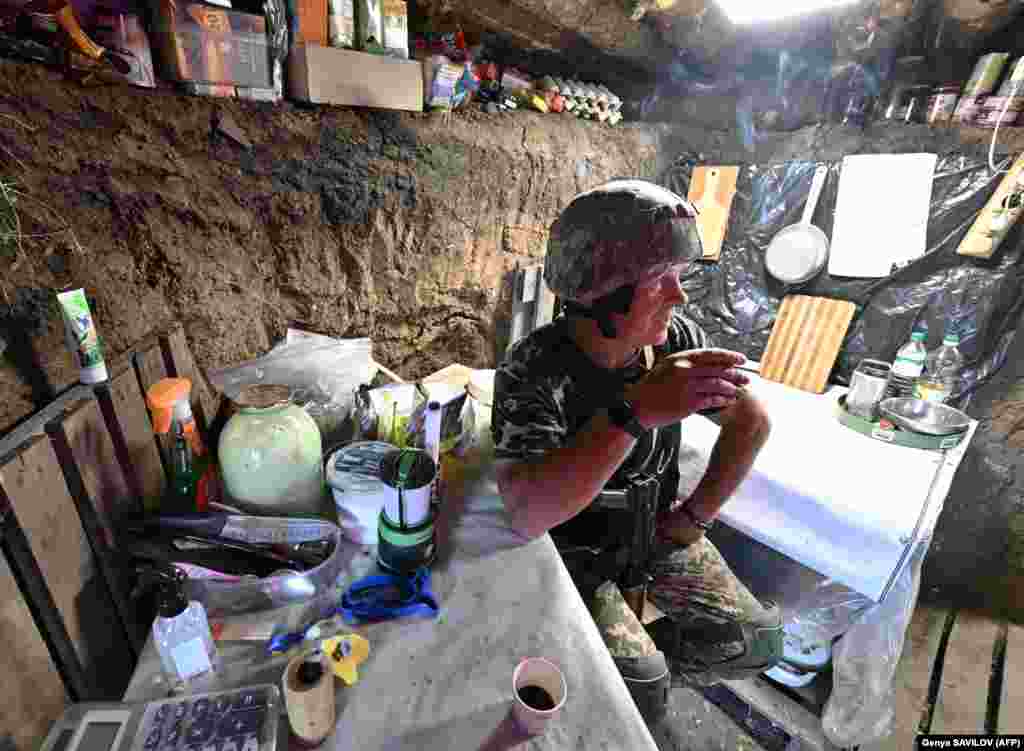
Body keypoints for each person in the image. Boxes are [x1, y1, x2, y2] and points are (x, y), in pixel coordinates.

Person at [490, 179, 783, 707]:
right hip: (575, 554)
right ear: (602, 290)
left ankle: (628, 679)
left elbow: (752, 423)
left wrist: (695, 516)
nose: (680, 293)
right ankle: (623, 688)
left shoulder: (673, 342)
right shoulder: (534, 369)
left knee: (755, 643)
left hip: (651, 537)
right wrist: (638, 410)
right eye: (660, 279)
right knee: (642, 688)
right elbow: (526, 512)